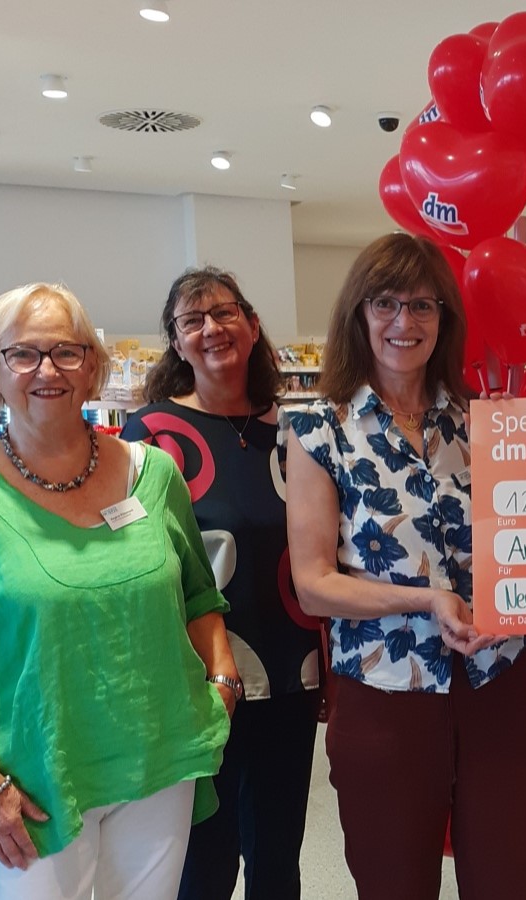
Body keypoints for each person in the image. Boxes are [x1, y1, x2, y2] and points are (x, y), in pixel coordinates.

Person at [0, 283, 235, 900]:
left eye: (67, 352)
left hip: (160, 756)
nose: (47, 370)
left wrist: (222, 682)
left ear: (92, 365)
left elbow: (199, 596)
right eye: (23, 354)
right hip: (36, 776)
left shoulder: (154, 473)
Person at [282, 233, 526, 900]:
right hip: (385, 696)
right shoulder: (320, 432)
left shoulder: (485, 422)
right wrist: (427, 601)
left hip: (498, 683)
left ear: (444, 319)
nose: (405, 323)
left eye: (424, 306)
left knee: (509, 882)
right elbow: (315, 587)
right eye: (387, 303)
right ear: (358, 314)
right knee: (394, 883)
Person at [121, 266, 322, 900]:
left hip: (292, 670)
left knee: (278, 855)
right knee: (203, 858)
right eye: (192, 321)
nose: (212, 329)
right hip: (199, 676)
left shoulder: (297, 434)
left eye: (226, 313)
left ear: (253, 325)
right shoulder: (149, 439)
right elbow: (143, 564)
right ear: (176, 343)